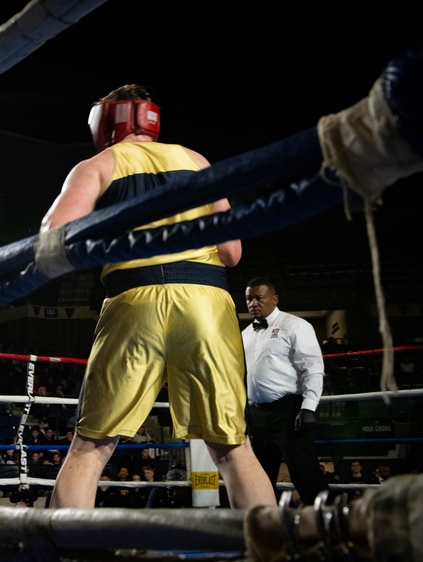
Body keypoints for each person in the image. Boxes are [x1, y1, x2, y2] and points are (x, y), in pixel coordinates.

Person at [40, 84, 274, 510]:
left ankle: (68, 554)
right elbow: (232, 252)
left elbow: (54, 237)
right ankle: (270, 554)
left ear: (106, 122)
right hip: (206, 301)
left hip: (134, 297)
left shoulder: (98, 163)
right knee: (233, 446)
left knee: (91, 446)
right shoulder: (195, 160)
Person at [241, 276, 329, 505]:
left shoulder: (296, 326)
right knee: (259, 478)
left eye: (259, 298)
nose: (253, 303)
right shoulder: (246, 333)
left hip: (289, 412)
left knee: (305, 474)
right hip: (257, 414)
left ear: (274, 299)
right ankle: (267, 530)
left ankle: (330, 527)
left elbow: (313, 368)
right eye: (249, 299)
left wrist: (309, 407)